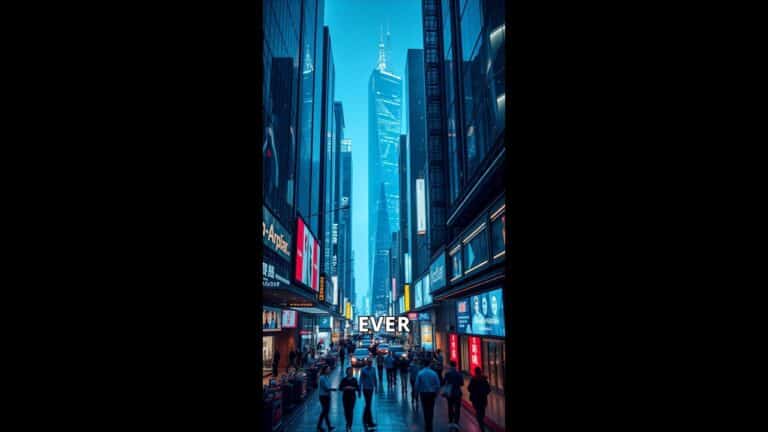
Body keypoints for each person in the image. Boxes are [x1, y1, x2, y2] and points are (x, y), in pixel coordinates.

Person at [415, 360, 441, 432]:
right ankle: (430, 422)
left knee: (425, 408)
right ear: (429, 364)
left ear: (423, 365)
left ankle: (427, 422)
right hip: (432, 393)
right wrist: (437, 393)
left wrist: (416, 393)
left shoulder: (420, 373)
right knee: (431, 408)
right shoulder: (434, 373)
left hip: (423, 393)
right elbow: (438, 384)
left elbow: (416, 385)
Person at [468, 367, 491, 432]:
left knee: (478, 411)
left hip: (476, 399)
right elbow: (488, 389)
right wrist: (484, 393)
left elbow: (469, 388)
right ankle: (481, 422)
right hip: (483, 398)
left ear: (475, 372)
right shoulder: (484, 379)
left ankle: (481, 424)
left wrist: (474, 392)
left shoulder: (473, 379)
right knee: (482, 411)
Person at [443, 360, 464, 427]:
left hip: (450, 393)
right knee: (457, 408)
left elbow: (444, 382)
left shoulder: (447, 374)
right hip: (457, 392)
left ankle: (450, 421)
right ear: (456, 365)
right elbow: (462, 383)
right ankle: (456, 422)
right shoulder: (459, 373)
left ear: (450, 365)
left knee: (450, 407)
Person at [339, 367, 360, 432]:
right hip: (345, 397)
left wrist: (352, 388)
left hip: (352, 397)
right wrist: (345, 388)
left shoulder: (354, 379)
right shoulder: (344, 380)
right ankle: (347, 422)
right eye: (348, 371)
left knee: (350, 411)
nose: (350, 372)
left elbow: (357, 388)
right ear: (346, 372)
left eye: (351, 371)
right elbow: (340, 388)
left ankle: (349, 425)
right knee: (346, 411)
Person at [317, 364, 337, 432]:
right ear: (325, 370)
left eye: (329, 368)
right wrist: (333, 389)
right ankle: (326, 426)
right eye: (328, 369)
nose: (329, 369)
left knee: (325, 412)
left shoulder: (327, 377)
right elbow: (326, 387)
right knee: (325, 411)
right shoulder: (322, 378)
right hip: (323, 396)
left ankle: (321, 426)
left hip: (327, 396)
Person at [358, 358, 378, 428]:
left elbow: (375, 378)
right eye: (369, 362)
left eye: (371, 362)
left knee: (368, 405)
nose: (370, 363)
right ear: (367, 362)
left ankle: (365, 419)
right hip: (365, 389)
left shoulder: (373, 369)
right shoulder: (363, 370)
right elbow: (360, 380)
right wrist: (359, 390)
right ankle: (369, 421)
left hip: (371, 388)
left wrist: (376, 387)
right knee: (368, 405)